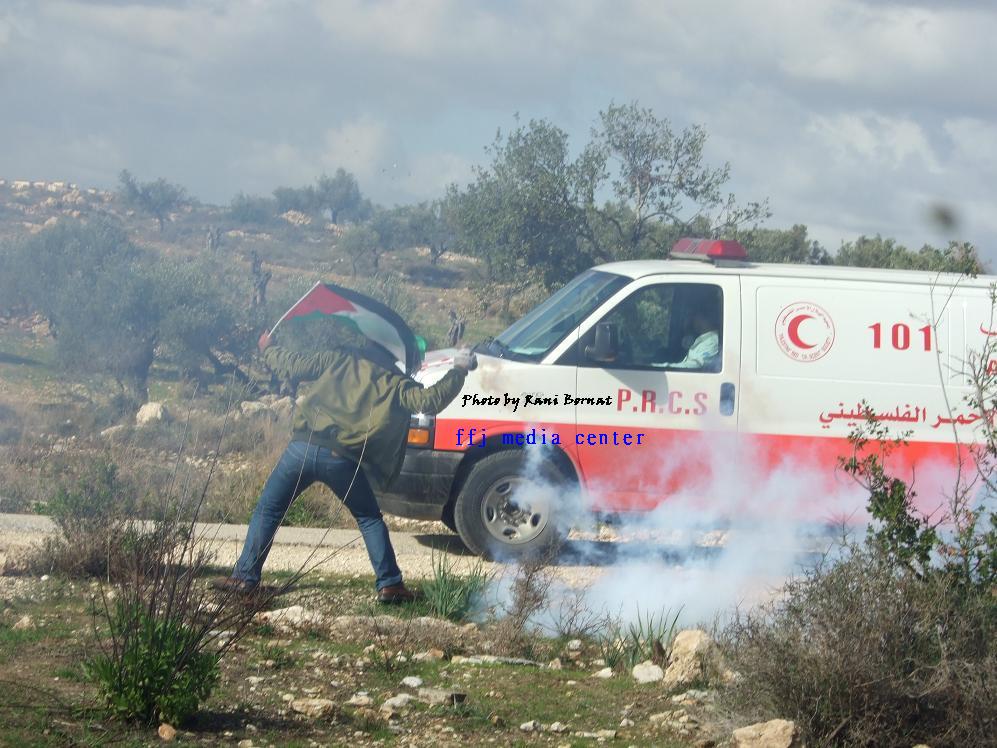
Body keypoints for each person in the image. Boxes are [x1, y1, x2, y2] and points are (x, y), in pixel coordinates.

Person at [215, 331, 476, 603]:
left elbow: (294, 364)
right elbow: (430, 401)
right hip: (341, 460)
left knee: (268, 509)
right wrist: (458, 370)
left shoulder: (339, 356)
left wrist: (269, 348)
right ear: (397, 353)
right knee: (368, 518)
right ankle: (390, 585)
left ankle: (245, 577)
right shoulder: (396, 381)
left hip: (301, 448)